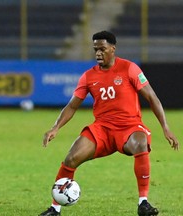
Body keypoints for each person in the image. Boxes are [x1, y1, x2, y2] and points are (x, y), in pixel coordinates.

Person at [38, 31, 179, 216]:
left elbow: (152, 98)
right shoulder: (88, 76)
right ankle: (54, 209)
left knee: (140, 142)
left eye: (102, 49)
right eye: (95, 49)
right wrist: (55, 127)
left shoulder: (130, 69)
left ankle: (143, 203)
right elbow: (72, 106)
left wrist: (165, 127)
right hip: (102, 129)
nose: (98, 53)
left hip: (129, 126)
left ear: (113, 49)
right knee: (70, 159)